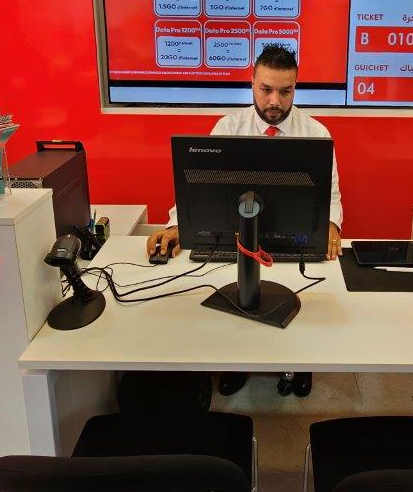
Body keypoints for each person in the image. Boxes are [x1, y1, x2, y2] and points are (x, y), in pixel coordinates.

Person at [145, 45, 344, 397]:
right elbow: (202, 190)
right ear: (252, 83)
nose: (275, 101)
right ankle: (237, 361)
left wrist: (331, 226)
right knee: (238, 297)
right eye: (266, 89)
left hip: (293, 244)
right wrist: (177, 225)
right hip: (238, 241)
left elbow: (331, 197)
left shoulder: (316, 133)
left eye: (285, 91)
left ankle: (297, 364)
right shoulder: (228, 127)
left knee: (304, 302)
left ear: (295, 88)